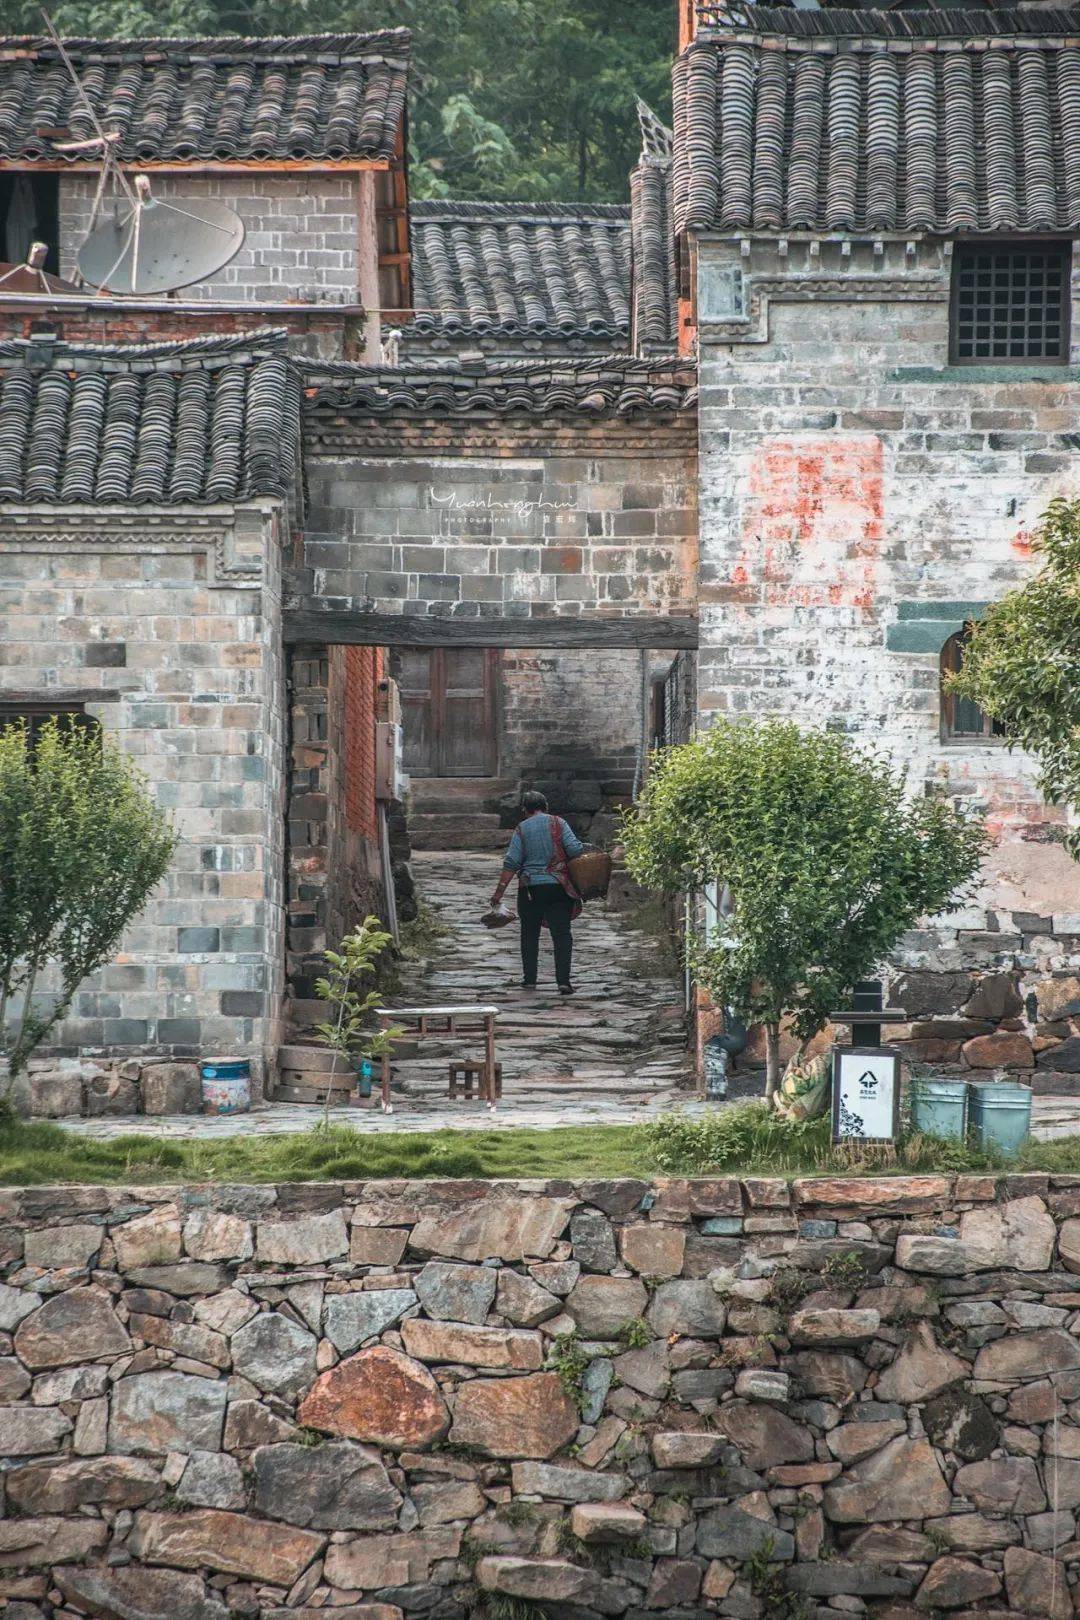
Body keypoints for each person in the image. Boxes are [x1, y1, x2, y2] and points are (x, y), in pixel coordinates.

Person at [489, 790, 584, 994]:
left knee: (529, 934)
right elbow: (575, 850)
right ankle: (563, 982)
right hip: (558, 887)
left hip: (530, 890)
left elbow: (512, 862)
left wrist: (499, 893)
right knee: (562, 934)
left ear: (525, 810)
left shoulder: (521, 829)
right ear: (546, 806)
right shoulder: (559, 823)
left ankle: (530, 980)